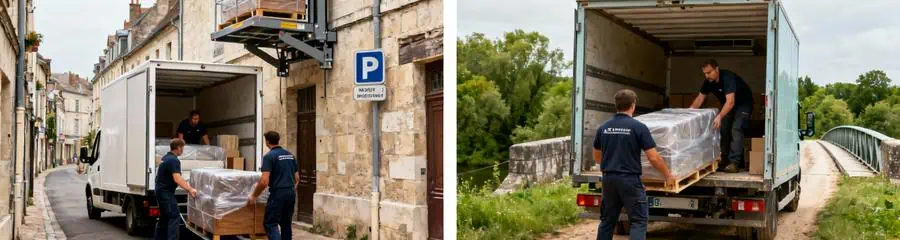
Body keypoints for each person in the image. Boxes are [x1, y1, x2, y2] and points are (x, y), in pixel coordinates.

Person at [594, 89, 676, 240]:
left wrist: (611, 164)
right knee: (638, 221)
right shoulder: (638, 127)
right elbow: (653, 157)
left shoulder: (603, 128)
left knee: (607, 221)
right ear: (633, 106)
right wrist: (668, 174)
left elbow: (597, 155)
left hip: (609, 179)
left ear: (616, 106)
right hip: (629, 180)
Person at [688, 59, 754, 173]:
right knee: (723, 130)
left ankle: (735, 163)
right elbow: (699, 99)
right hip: (729, 104)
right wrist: (688, 113)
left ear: (716, 69)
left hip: (743, 103)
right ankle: (723, 161)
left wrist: (719, 116)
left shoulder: (727, 78)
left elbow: (731, 102)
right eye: (704, 73)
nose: (706, 76)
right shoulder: (708, 82)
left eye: (709, 72)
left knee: (736, 129)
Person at [248, 131, 299, 240]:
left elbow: (264, 181)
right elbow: (297, 178)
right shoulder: (290, 155)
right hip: (291, 193)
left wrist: (254, 196)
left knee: (270, 223)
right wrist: (289, 188)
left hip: (278, 194)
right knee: (286, 224)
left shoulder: (269, 156)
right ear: (278, 140)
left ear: (267, 141)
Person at [153, 139, 198, 240]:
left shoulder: (166, 157)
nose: (183, 150)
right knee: (174, 216)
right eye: (182, 148)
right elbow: (177, 178)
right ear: (178, 148)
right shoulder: (174, 160)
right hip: (166, 193)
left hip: (161, 191)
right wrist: (190, 189)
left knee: (164, 218)